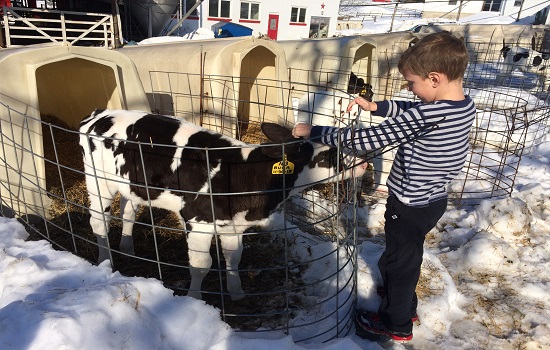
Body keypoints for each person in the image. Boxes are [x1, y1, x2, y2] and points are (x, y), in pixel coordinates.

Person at [292, 31, 476, 343]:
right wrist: (376, 107)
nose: (409, 89)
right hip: (432, 200)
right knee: (404, 255)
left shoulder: (429, 113)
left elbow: (366, 141)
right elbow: (414, 113)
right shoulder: (462, 106)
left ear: (434, 79)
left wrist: (316, 131)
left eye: (412, 83)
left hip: (409, 203)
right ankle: (400, 298)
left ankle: (397, 322)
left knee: (401, 261)